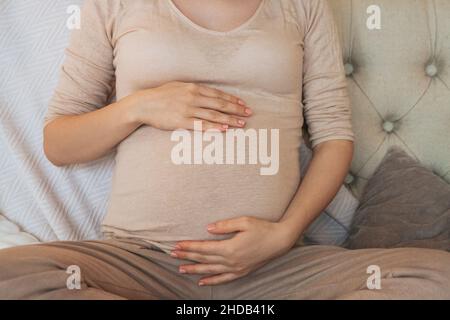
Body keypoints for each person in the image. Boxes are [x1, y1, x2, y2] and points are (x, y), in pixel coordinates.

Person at [0, 0, 449, 299]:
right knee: (10, 277)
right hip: (140, 264)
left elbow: (334, 137)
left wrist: (283, 234)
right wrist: (138, 107)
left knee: (436, 278)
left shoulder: (301, 4)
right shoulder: (116, 4)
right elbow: (59, 142)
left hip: (277, 270)